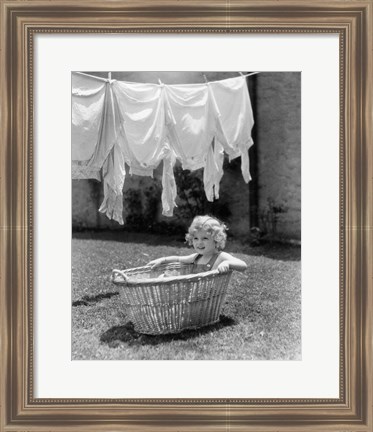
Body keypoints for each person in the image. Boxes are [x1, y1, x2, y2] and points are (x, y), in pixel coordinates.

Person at [148, 215, 247, 274]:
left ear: (216, 239)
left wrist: (227, 263)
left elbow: (243, 265)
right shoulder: (196, 257)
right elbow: (178, 259)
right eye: (196, 238)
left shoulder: (220, 257)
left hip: (210, 297)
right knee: (165, 276)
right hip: (195, 295)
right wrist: (162, 260)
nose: (199, 242)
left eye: (205, 238)